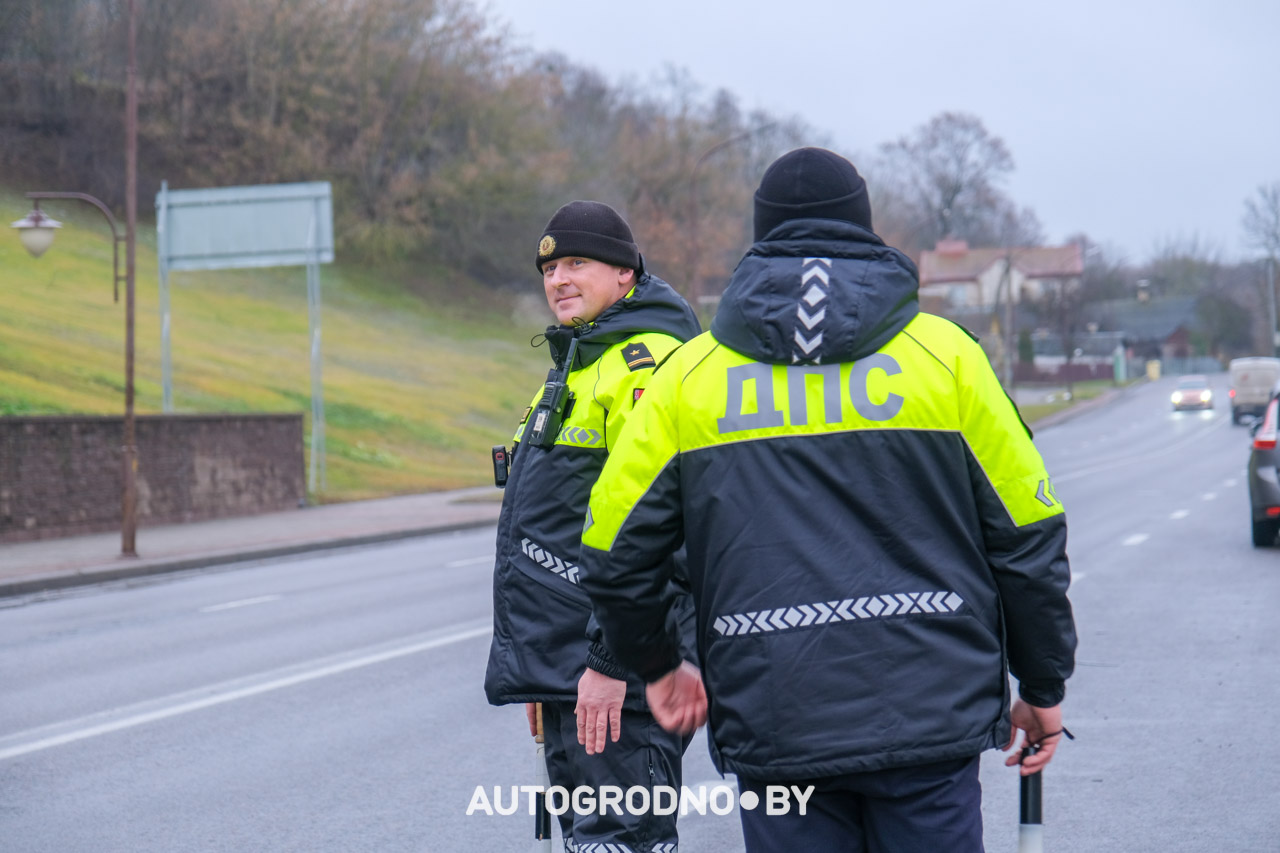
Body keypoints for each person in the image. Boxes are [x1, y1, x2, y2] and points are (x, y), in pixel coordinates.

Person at [576, 149, 1077, 852]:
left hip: (776, 715)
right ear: (865, 229)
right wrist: (1044, 683)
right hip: (930, 711)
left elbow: (612, 551)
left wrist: (657, 665)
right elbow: (1027, 538)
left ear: (760, 235)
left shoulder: (688, 378)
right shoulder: (949, 358)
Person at [484, 200, 702, 853]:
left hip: (620, 674)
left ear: (625, 275)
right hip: (572, 672)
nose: (558, 280)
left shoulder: (645, 366)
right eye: (549, 268)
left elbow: (657, 532)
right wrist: (540, 672)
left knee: (621, 840)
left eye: (577, 263)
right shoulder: (579, 364)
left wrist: (609, 662)